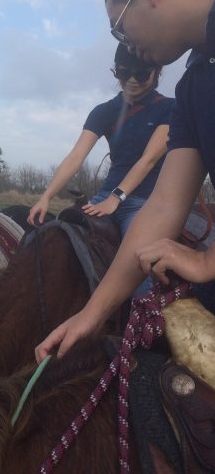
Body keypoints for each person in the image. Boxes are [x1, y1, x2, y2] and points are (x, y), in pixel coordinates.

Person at [36, 0, 215, 363]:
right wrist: (91, 314)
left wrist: (208, 262)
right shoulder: (193, 85)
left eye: (119, 27)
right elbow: (165, 205)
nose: (126, 45)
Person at [28, 44, 173, 296]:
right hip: (105, 197)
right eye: (123, 73)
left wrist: (116, 198)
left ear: (156, 71)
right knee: (61, 241)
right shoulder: (104, 111)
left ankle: (146, 324)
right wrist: (46, 196)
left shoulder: (169, 108)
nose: (131, 81)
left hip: (144, 200)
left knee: (138, 266)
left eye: (140, 74)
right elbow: (76, 156)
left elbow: (147, 160)